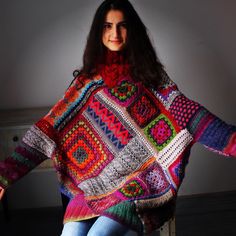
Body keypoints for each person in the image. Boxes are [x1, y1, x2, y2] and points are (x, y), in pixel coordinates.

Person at [0, 0, 236, 235]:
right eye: (107, 26)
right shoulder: (87, 83)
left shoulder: (151, 77)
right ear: (98, 31)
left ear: (132, 30)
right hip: (93, 189)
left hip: (139, 189)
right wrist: (5, 176)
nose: (115, 33)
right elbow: (46, 132)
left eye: (122, 25)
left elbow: (193, 116)